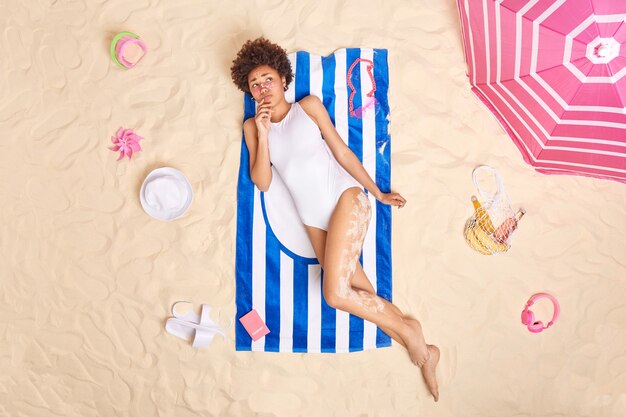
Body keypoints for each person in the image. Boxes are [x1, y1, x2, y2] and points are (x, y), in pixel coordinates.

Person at [230, 37, 440, 401]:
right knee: (364, 294)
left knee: (335, 294)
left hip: (345, 199)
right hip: (313, 220)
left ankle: (415, 339)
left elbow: (342, 151)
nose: (262, 89)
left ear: (283, 78)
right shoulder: (252, 127)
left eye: (267, 79)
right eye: (254, 85)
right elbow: (262, 181)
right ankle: (411, 331)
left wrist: (376, 192)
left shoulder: (307, 107)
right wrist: (264, 134)